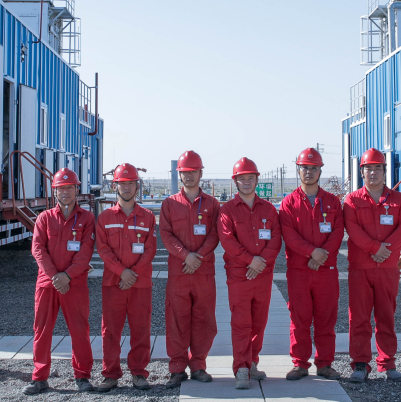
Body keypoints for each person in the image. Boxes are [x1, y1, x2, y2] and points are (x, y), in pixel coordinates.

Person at [26, 168, 96, 395]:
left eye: (69, 188)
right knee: (42, 330)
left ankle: (82, 376)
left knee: (79, 330)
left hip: (74, 283)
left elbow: (85, 252)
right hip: (48, 283)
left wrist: (68, 275)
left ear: (76, 190)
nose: (65, 192)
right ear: (54, 191)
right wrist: (56, 276)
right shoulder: (44, 218)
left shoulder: (87, 219)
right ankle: (39, 378)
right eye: (61, 188)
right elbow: (38, 249)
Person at [277, 148, 345, 380]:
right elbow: (289, 234)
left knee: (326, 318)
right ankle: (300, 364)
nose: (309, 172)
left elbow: (338, 231)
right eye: (305, 168)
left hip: (326, 270)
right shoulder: (289, 203)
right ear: (298, 170)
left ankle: (325, 364)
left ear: (320, 171)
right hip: (299, 271)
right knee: (300, 319)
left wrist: (322, 255)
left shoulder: (332, 202)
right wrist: (312, 253)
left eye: (313, 168)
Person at [343, 149, 401, 383]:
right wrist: (375, 249)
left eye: (377, 168)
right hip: (360, 268)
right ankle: (360, 364)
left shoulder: (398, 200)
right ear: (361, 172)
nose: (373, 173)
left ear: (384, 171)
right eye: (368, 168)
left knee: (386, 316)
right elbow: (353, 230)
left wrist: (385, 250)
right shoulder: (352, 200)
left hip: (387, 268)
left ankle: (387, 362)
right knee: (359, 318)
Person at [218, 157, 283, 390]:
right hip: (239, 275)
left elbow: (276, 239)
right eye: (242, 179)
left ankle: (252, 362)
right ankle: (241, 369)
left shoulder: (268, 209)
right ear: (235, 181)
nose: (246, 182)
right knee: (241, 323)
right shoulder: (227, 210)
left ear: (257, 180)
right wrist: (250, 261)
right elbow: (228, 241)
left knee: (259, 322)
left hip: (262, 274)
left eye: (250, 178)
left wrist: (261, 263)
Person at [158, 150, 221, 387]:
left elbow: (215, 233)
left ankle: (198, 366)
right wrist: (186, 256)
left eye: (193, 171)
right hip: (179, 271)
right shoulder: (170, 204)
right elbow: (166, 234)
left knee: (204, 319)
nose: (189, 176)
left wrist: (198, 257)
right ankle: (177, 368)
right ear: (180, 175)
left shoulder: (212, 204)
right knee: (177, 319)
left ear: (200, 173)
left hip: (203, 271)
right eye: (185, 172)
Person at [94, 163, 156, 392]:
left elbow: (150, 249)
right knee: (110, 330)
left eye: (131, 183)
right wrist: (122, 272)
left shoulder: (148, 217)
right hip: (114, 284)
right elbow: (103, 250)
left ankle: (139, 373)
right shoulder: (105, 217)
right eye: (123, 184)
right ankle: (110, 374)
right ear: (115, 186)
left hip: (140, 284)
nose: (127, 188)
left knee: (141, 328)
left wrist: (133, 273)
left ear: (137, 186)